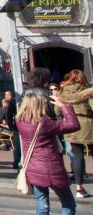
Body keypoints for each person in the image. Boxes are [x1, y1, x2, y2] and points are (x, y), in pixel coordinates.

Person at [17, 90, 79, 214]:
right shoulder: (45, 123)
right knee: (68, 202)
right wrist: (63, 106)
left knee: (42, 203)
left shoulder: (20, 120)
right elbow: (73, 125)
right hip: (50, 167)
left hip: (33, 167)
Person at [57, 69, 93, 199]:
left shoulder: (63, 92)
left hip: (71, 126)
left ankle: (79, 188)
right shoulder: (88, 91)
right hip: (88, 124)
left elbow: (58, 109)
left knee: (77, 156)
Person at [0, 90, 20, 169]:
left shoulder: (8, 106)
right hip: (17, 128)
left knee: (17, 146)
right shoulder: (16, 101)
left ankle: (16, 163)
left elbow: (0, 121)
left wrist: (11, 126)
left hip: (14, 128)